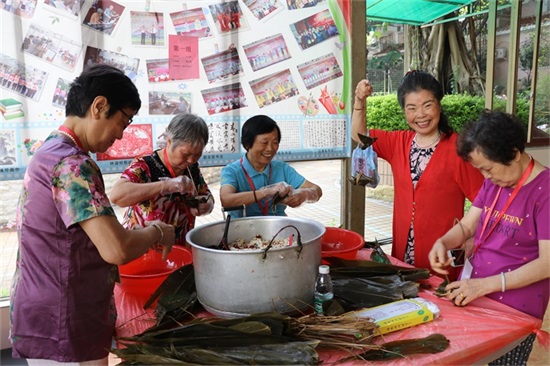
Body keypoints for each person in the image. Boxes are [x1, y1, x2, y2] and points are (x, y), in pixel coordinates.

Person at [10, 64, 176, 364]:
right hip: (63, 315)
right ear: (100, 106)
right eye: (123, 121)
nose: (120, 135)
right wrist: (158, 231)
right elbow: (117, 248)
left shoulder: (49, 151)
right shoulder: (72, 165)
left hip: (46, 304)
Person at [428, 110, 549, 365]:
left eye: (488, 168)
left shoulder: (545, 191)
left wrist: (484, 286)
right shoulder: (495, 182)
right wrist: (444, 242)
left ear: (514, 153)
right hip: (473, 291)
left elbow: (547, 263)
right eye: (480, 169)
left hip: (514, 308)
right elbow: (468, 226)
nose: (485, 177)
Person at [351, 70, 484, 279]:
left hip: (442, 257)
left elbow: (484, 200)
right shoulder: (399, 143)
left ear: (439, 105)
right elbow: (360, 136)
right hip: (404, 254)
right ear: (404, 111)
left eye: (427, 105)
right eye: (411, 108)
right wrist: (359, 100)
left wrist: (471, 238)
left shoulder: (458, 149)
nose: (420, 115)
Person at [110, 113, 214, 247]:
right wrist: (167, 185)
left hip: (179, 248)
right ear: (169, 141)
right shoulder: (146, 165)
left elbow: (206, 195)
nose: (191, 160)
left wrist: (207, 205)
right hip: (145, 249)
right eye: (186, 154)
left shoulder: (191, 167)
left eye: (198, 154)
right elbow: (117, 196)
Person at [220, 115, 322, 217]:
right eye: (264, 143)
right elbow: (226, 200)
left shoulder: (282, 169)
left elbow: (317, 190)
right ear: (247, 144)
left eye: (275, 142)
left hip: (279, 228)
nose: (270, 149)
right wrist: (266, 192)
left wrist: (304, 195)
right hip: (242, 229)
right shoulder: (231, 171)